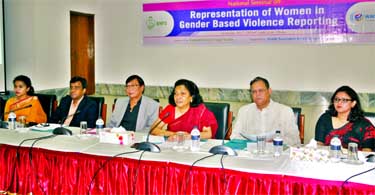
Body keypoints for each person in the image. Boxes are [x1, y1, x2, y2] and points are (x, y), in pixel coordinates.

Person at [230, 76, 300, 146]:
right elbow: (234, 136)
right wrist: (251, 144)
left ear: (269, 91)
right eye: (254, 92)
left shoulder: (285, 111)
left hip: (276, 152)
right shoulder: (244, 111)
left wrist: (274, 142)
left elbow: (294, 139)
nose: (257, 94)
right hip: (250, 152)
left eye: (261, 91)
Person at [151, 79, 218, 139]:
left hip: (195, 145)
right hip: (174, 144)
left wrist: (189, 136)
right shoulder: (170, 109)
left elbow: (208, 134)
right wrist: (175, 134)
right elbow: (153, 129)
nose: (178, 97)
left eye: (183, 94)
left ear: (191, 97)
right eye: (176, 94)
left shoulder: (201, 111)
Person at [315, 86, 375, 151]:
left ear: (353, 103)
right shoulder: (325, 118)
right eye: (336, 99)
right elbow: (319, 144)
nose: (339, 103)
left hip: (355, 160)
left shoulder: (364, 124)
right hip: (329, 159)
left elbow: (367, 151)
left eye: (344, 100)